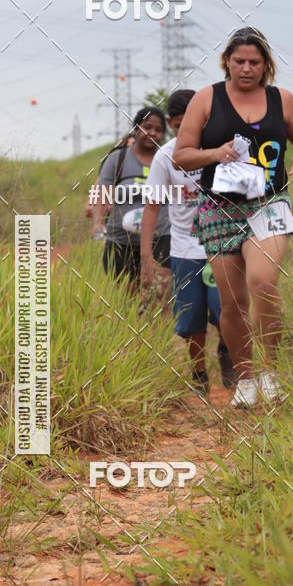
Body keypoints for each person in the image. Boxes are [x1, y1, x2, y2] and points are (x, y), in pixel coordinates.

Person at [173, 26, 293, 409]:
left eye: (255, 62)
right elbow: (182, 154)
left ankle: (270, 372)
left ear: (266, 65)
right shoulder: (207, 99)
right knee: (232, 300)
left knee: (263, 281)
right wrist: (214, 153)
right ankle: (246, 378)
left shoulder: (282, 99)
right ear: (227, 62)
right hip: (219, 207)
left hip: (268, 201)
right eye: (239, 61)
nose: (247, 68)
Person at [140, 89, 237, 394]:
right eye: (180, 124)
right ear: (170, 123)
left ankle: (226, 352)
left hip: (221, 245)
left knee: (225, 313)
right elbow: (152, 206)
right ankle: (198, 375)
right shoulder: (165, 156)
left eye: (196, 121)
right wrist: (146, 258)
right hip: (184, 248)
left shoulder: (221, 150)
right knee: (191, 319)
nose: (187, 130)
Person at [92, 107, 171, 292]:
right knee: (128, 294)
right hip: (122, 240)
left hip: (160, 239)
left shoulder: (168, 159)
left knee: (159, 292)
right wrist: (96, 223)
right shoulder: (117, 159)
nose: (152, 133)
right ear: (136, 128)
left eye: (158, 130)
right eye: (147, 127)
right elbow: (102, 193)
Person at [86, 133, 135, 221]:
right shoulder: (109, 171)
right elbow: (89, 209)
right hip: (115, 226)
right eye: (132, 145)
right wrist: (109, 206)